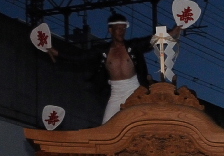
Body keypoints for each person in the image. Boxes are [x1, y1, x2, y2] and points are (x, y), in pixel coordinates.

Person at [46, 12, 181, 123]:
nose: (122, 32)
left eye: (124, 29)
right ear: (111, 30)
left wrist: (172, 33)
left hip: (134, 89)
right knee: (106, 125)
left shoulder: (132, 46)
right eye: (118, 29)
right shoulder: (102, 51)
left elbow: (150, 40)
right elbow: (81, 56)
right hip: (116, 92)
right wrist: (57, 53)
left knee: (142, 121)